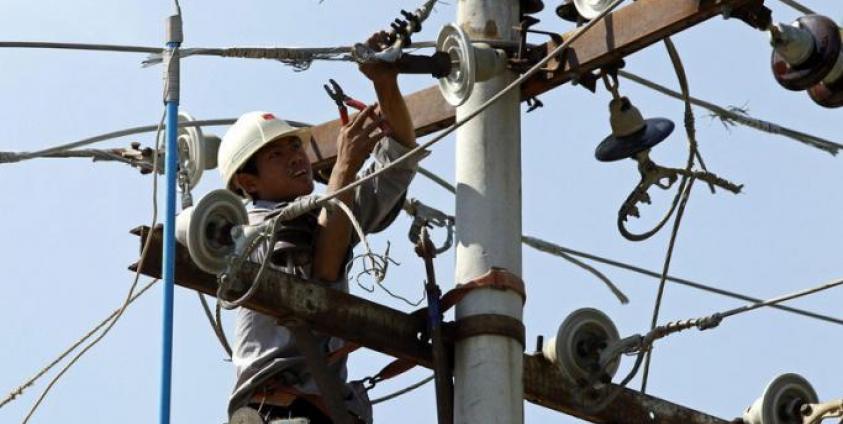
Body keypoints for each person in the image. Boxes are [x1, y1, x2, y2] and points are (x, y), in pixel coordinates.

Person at [216, 32, 422, 423]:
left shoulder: (324, 211)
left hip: (320, 408)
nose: (296, 158)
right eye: (276, 154)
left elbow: (399, 161)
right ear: (249, 183)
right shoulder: (254, 229)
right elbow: (320, 280)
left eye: (294, 147)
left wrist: (384, 81)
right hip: (275, 409)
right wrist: (344, 169)